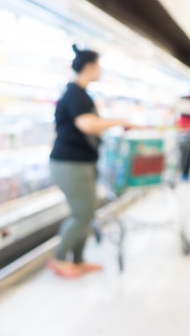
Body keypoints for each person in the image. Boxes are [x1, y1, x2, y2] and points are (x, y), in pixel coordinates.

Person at [48, 45, 131, 278]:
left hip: (80, 162)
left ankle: (79, 260)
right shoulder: (75, 94)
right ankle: (59, 259)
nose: (100, 71)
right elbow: (87, 125)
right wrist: (117, 121)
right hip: (69, 163)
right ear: (89, 66)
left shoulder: (81, 94)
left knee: (86, 213)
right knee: (82, 213)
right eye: (98, 66)